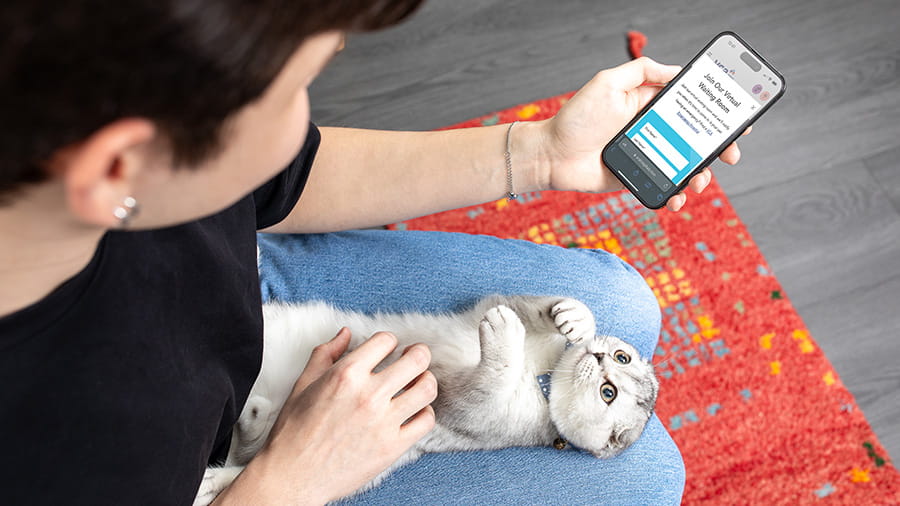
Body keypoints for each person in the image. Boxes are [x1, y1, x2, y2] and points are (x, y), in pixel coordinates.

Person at [0, 1, 747, 504]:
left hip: (241, 292)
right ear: (119, 167)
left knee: (622, 306)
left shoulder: (98, 145)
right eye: (296, 92)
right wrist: (284, 482)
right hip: (224, 463)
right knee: (644, 476)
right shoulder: (64, 448)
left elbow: (285, 175)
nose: (305, 123)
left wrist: (541, 152)